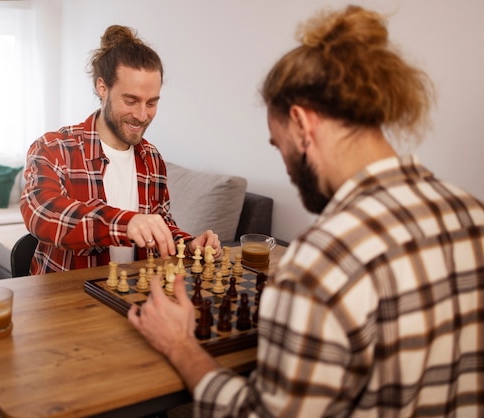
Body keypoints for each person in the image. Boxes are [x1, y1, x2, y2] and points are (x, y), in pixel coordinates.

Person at [128, 5, 484, 417]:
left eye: (279, 145)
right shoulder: (471, 214)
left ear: (301, 123)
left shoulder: (319, 263)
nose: (285, 166)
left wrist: (180, 345)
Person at [20, 25, 220, 274]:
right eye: (131, 100)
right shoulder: (52, 147)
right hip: (66, 302)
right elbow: (43, 215)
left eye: (152, 103)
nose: (142, 115)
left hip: (131, 296)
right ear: (102, 88)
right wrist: (126, 223)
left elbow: (160, 225)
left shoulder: (152, 158)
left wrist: (188, 245)